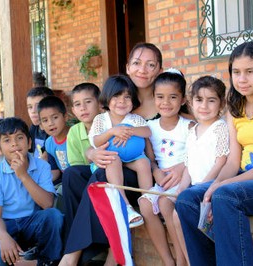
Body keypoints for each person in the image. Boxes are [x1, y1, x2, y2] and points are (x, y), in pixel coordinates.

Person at [175, 41, 253, 265]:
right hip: (245, 178)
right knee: (187, 199)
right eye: (236, 72)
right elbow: (233, 161)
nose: (242, 79)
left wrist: (222, 186)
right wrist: (216, 183)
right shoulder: (236, 109)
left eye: (250, 72)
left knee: (225, 195)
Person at [60, 42, 163, 266]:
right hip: (115, 162)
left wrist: (155, 168)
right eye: (137, 63)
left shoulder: (165, 98)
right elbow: (93, 135)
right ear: (128, 67)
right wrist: (91, 152)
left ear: (159, 70)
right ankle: (91, 248)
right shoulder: (119, 94)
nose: (142, 69)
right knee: (72, 175)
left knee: (100, 178)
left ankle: (76, 256)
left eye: (150, 64)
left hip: (142, 172)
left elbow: (157, 147)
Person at [0, 117, 64, 266]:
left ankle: (47, 262)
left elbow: (48, 204)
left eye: (19, 138)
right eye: (7, 140)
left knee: (54, 216)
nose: (14, 144)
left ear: (29, 142)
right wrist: (4, 238)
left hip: (32, 222)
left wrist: (23, 175)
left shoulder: (42, 167)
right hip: (4, 224)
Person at [138, 69, 194, 266]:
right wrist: (155, 172)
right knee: (145, 204)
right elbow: (151, 159)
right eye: (160, 97)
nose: (166, 102)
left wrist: (181, 167)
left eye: (173, 97)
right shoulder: (149, 128)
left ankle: (182, 260)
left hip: (186, 179)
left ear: (183, 100)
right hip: (163, 181)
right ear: (153, 98)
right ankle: (167, 260)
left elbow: (198, 155)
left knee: (164, 203)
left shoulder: (189, 126)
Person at [173, 75, 230, 264]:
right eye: (199, 100)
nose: (204, 106)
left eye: (211, 100)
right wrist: (182, 186)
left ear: (221, 104)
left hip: (211, 187)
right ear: (190, 102)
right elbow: (189, 164)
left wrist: (205, 185)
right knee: (176, 216)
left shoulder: (220, 128)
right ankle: (191, 261)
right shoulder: (192, 131)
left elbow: (221, 161)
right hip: (194, 188)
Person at [89, 74, 153, 228]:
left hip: (132, 159)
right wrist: (112, 131)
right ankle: (126, 206)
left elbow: (147, 132)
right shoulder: (101, 119)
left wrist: (128, 131)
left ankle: (149, 201)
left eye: (127, 97)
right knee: (113, 159)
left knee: (144, 163)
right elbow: (96, 141)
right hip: (111, 160)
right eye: (116, 96)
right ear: (107, 98)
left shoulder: (134, 119)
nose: (122, 101)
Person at [63, 82, 101, 237]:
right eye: (77, 104)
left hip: (109, 176)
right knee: (70, 174)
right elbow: (77, 167)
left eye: (88, 102)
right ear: (73, 110)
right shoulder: (74, 132)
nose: (83, 108)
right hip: (88, 179)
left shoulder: (109, 124)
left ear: (100, 104)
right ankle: (75, 235)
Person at [38, 95, 70, 184]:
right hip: (64, 181)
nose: (51, 123)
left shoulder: (74, 135)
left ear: (65, 117)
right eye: (45, 120)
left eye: (55, 117)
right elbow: (55, 171)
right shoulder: (48, 143)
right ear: (41, 125)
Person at [26, 86, 55, 159]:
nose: (33, 111)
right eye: (30, 107)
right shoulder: (34, 128)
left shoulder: (54, 130)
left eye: (38, 106)